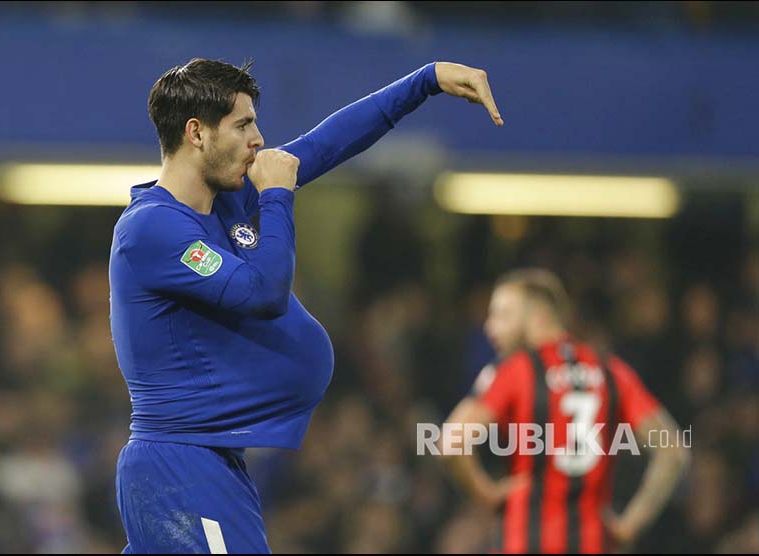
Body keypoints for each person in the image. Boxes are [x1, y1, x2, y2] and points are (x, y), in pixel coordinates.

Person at [109, 57, 503, 553]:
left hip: (211, 461)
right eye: (243, 124)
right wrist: (276, 196)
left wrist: (425, 82)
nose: (258, 138)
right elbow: (263, 293)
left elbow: (327, 143)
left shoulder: (227, 200)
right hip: (180, 465)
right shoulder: (153, 228)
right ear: (197, 133)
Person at [441, 269, 690, 553]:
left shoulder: (514, 370)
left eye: (503, 315)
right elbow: (673, 452)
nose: (489, 328)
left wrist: (487, 494)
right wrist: (629, 525)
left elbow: (450, 443)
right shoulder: (610, 371)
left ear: (539, 317)